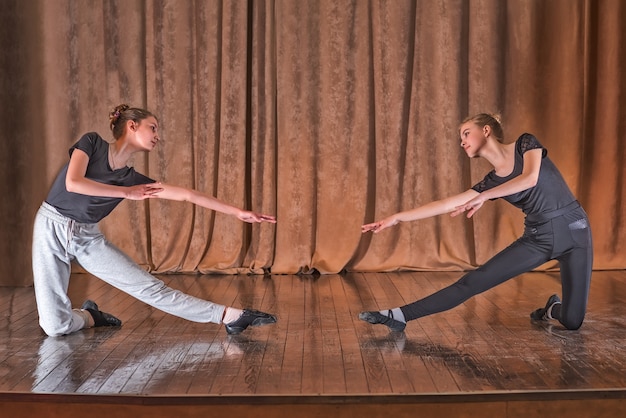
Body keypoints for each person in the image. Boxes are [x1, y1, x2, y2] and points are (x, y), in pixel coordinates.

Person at [32, 104, 277, 337]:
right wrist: (126, 193)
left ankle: (230, 316)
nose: (157, 136)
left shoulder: (132, 179)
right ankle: (90, 317)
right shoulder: (92, 143)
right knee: (55, 326)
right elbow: (73, 183)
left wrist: (237, 212)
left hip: (86, 238)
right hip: (50, 228)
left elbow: (187, 195)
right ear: (131, 126)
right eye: (153, 127)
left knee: (150, 288)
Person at [359, 113, 593, 332]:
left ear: (486, 130)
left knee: (573, 322)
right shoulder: (490, 183)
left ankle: (552, 309)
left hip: (576, 233)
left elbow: (530, 178)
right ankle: (399, 316)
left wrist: (485, 195)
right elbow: (446, 204)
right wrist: (397, 217)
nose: (462, 142)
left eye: (466, 133)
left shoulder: (525, 144)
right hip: (538, 239)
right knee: (472, 282)